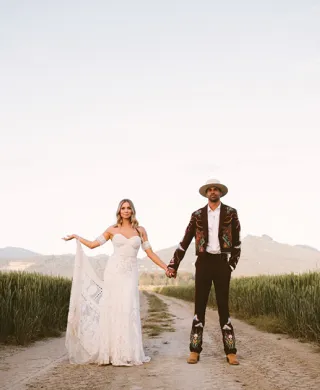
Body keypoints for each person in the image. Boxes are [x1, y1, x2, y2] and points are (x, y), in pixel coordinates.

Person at [62, 198, 168, 366]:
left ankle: (127, 352)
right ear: (119, 211)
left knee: (128, 308)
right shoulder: (112, 230)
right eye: (123, 208)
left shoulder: (140, 231)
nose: (126, 210)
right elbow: (92, 245)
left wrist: (166, 267)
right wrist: (77, 237)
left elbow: (150, 252)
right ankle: (110, 352)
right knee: (112, 308)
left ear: (132, 211)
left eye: (128, 208)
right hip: (113, 272)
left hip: (130, 273)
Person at [166, 179, 241, 365]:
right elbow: (185, 241)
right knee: (199, 307)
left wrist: (231, 265)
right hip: (203, 262)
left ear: (220, 193)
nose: (213, 192)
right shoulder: (197, 215)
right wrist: (173, 265)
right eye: (210, 189)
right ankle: (194, 350)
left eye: (216, 189)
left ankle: (231, 351)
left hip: (222, 263)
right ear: (206, 193)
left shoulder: (231, 213)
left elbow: (238, 242)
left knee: (224, 307)